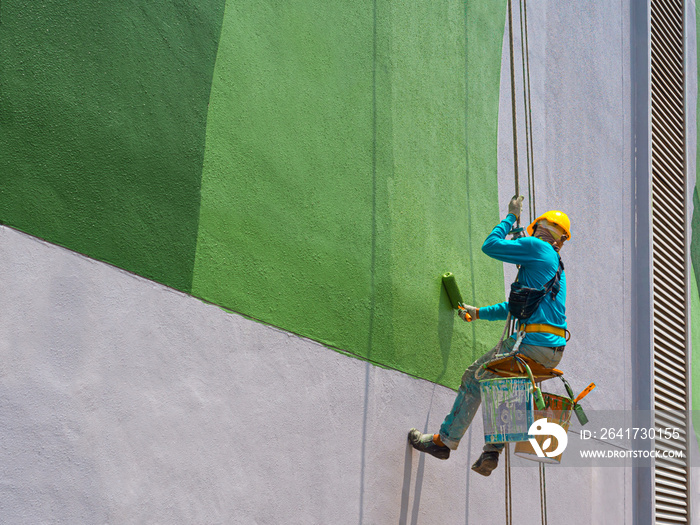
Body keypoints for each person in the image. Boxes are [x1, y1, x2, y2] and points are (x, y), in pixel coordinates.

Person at [408, 196, 571, 477]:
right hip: (552, 348)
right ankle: (491, 451)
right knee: (504, 378)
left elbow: (490, 246)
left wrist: (509, 218)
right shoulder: (557, 267)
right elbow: (517, 308)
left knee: (477, 377)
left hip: (531, 343)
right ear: (561, 239)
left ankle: (445, 442)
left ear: (538, 229)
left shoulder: (535, 246)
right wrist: (479, 312)